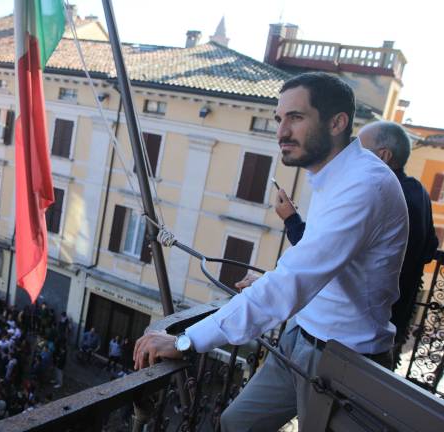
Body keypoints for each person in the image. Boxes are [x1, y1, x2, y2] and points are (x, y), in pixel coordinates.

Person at [133, 72, 409, 431]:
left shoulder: (364, 186)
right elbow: (321, 259)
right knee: (235, 424)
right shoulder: (333, 175)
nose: (281, 132)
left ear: (337, 122)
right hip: (300, 334)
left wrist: (188, 341)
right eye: (279, 119)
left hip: (344, 359)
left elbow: (294, 279)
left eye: (295, 117)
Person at [276, 120, 438, 365]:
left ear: (383, 155)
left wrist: (290, 219)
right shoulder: (418, 191)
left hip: (351, 336)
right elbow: (429, 250)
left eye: (359, 148)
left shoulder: (374, 195)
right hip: (393, 321)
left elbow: (322, 256)